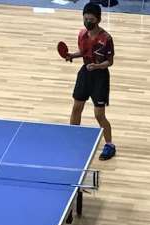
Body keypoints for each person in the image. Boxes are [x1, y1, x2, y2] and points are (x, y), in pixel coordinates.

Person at [66, 2, 116, 160]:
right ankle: (73, 137)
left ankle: (109, 145)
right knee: (76, 108)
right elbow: (83, 51)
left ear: (98, 19)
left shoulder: (106, 38)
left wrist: (97, 66)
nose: (87, 22)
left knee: (99, 115)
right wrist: (72, 55)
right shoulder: (82, 34)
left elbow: (110, 62)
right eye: (85, 19)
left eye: (91, 19)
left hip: (100, 77)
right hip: (85, 74)